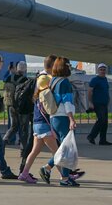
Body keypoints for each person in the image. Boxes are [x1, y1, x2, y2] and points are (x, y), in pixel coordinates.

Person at [40, 57, 80, 187]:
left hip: (54, 117)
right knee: (67, 148)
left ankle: (51, 170)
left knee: (64, 148)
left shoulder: (53, 81)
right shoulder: (64, 82)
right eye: (69, 66)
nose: (70, 68)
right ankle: (62, 176)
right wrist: (71, 119)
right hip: (63, 117)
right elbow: (67, 102)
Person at [19, 57, 60, 184]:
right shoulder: (46, 82)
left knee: (34, 151)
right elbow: (47, 107)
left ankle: (24, 173)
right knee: (57, 152)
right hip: (44, 123)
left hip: (37, 122)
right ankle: (64, 176)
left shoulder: (38, 83)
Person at [3, 61, 27, 145]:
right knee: (22, 125)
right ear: (25, 69)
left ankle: (8, 139)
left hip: (10, 103)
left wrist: (9, 71)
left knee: (13, 124)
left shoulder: (10, 77)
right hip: (19, 105)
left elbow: (4, 79)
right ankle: (21, 141)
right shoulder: (25, 80)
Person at [87, 63, 111, 145]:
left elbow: (106, 90)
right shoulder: (95, 79)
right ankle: (91, 136)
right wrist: (90, 102)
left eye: (104, 70)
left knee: (105, 122)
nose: (102, 71)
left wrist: (108, 100)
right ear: (98, 70)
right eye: (101, 70)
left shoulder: (105, 79)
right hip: (97, 103)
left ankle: (102, 140)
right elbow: (90, 91)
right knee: (101, 120)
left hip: (104, 103)